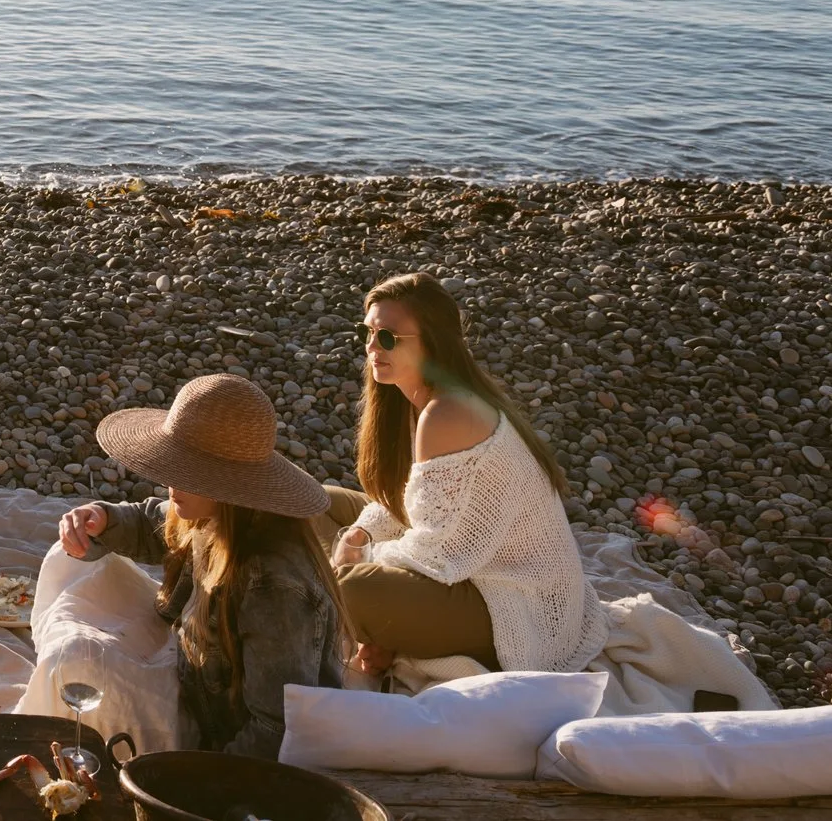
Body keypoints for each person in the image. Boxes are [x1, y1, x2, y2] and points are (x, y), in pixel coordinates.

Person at [327, 270, 605, 675]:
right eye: (366, 333)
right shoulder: (414, 400)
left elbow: (439, 552)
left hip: (511, 604)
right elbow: (409, 499)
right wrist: (359, 534)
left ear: (434, 342)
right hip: (465, 572)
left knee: (350, 590)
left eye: (387, 337)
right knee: (316, 502)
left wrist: (361, 559)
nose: (372, 347)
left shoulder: (448, 412)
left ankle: (333, 605)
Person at [56, 373, 346, 758]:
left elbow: (274, 731)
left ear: (229, 486)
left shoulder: (272, 588)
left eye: (186, 472)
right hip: (195, 689)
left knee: (84, 671)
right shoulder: (216, 515)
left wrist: (195, 786)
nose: (170, 483)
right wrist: (101, 519)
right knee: (73, 642)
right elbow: (152, 524)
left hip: (233, 753)